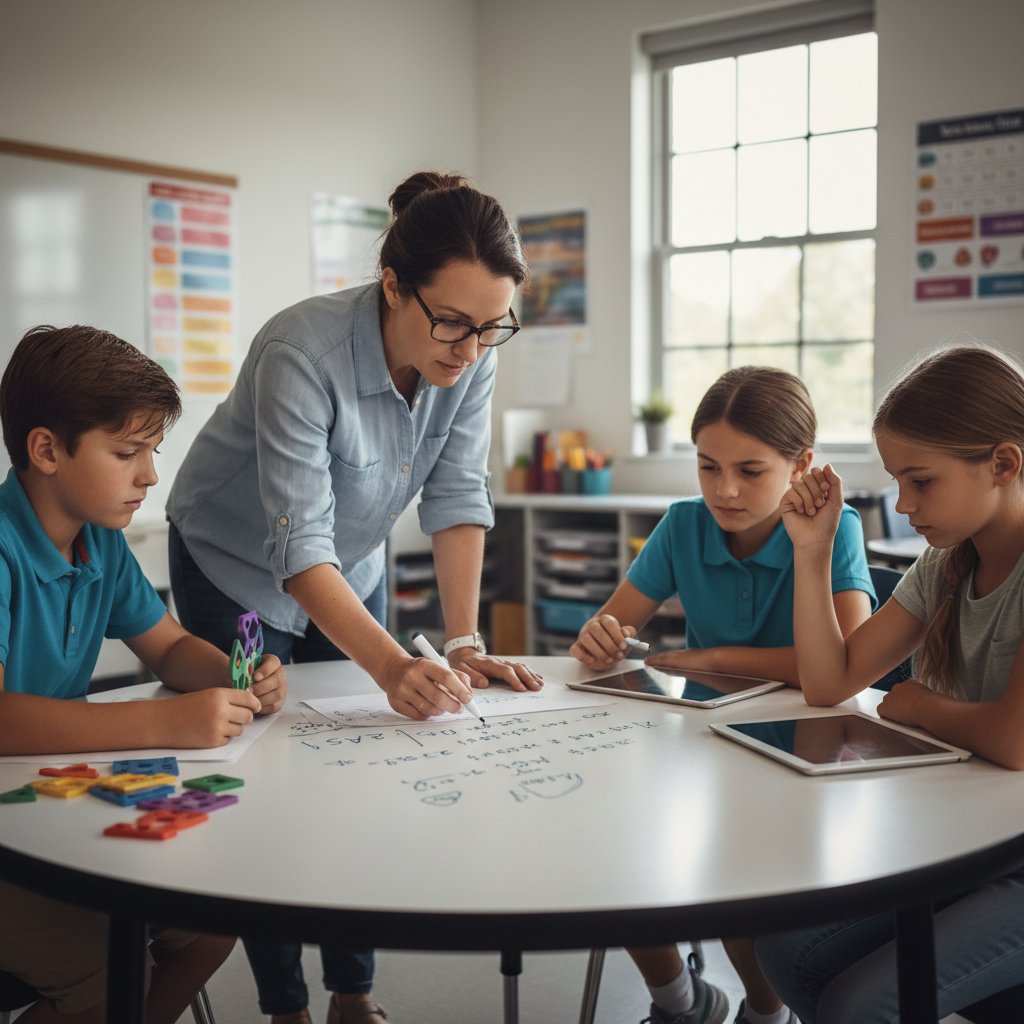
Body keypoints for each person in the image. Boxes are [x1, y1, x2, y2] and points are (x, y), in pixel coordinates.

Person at [166, 170, 544, 1024]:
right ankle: (286, 1006)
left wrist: (460, 642)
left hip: (353, 566)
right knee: (267, 761)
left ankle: (351, 993)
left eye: (490, 328)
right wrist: (389, 663)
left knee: (358, 761)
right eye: (450, 321)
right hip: (233, 566)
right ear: (391, 286)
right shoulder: (301, 350)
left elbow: (456, 499)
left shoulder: (468, 353)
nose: (468, 346)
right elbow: (296, 549)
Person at [0, 324, 287, 1024]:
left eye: (152, 452)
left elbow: (165, 647)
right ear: (45, 450)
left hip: (48, 805)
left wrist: (230, 675)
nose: (151, 475)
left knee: (214, 923)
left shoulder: (100, 538)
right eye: (127, 452)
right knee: (104, 983)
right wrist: (166, 720)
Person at [570, 366, 876, 1024]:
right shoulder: (683, 524)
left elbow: (847, 662)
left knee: (742, 905)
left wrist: (712, 657)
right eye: (708, 467)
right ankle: (682, 1002)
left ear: (802, 466)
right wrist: (600, 638)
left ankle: (765, 1015)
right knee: (613, 862)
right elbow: (616, 623)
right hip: (702, 749)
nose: (725, 490)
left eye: (750, 470)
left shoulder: (836, 527)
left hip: (805, 755)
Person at [757, 344, 1024, 1024]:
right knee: (787, 951)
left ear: (1003, 463)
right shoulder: (946, 562)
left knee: (858, 1005)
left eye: (921, 481)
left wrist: (919, 705)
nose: (902, 504)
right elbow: (832, 681)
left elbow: (1012, 739)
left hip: (1015, 861)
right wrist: (812, 552)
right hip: (970, 837)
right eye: (896, 481)